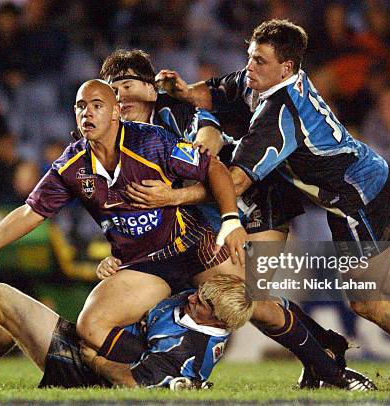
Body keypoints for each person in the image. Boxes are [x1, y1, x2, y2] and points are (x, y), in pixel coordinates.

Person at [0, 79, 375, 391]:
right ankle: (158, 377)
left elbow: (214, 163)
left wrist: (227, 219)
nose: (89, 111)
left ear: (123, 103)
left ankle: (331, 367)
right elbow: (31, 210)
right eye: (81, 105)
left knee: (256, 297)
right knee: (91, 326)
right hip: (144, 264)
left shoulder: (159, 135)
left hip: (191, 247)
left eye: (105, 100)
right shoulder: (74, 164)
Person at [155, 19, 390, 390]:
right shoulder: (264, 80)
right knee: (384, 281)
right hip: (354, 192)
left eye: (260, 61)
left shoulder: (281, 114)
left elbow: (234, 182)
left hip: (361, 198)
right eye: (250, 58)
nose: (250, 67)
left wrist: (172, 197)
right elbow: (219, 91)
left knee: (367, 301)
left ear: (287, 67)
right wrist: (185, 90)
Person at [98, 49, 362, 389]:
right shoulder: (116, 140)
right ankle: (325, 349)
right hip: (206, 219)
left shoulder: (175, 111)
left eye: (127, 85)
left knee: (248, 297)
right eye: (112, 89)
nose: (120, 96)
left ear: (148, 87)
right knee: (250, 299)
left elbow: (210, 138)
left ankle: (330, 369)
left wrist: (191, 158)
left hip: (253, 200)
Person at [0, 274, 254, 388]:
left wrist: (94, 362)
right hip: (85, 352)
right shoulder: (195, 310)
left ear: (217, 321)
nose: (191, 298)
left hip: (82, 367)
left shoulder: (186, 349)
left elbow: (131, 383)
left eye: (202, 302)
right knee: (8, 320)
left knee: (0, 298)